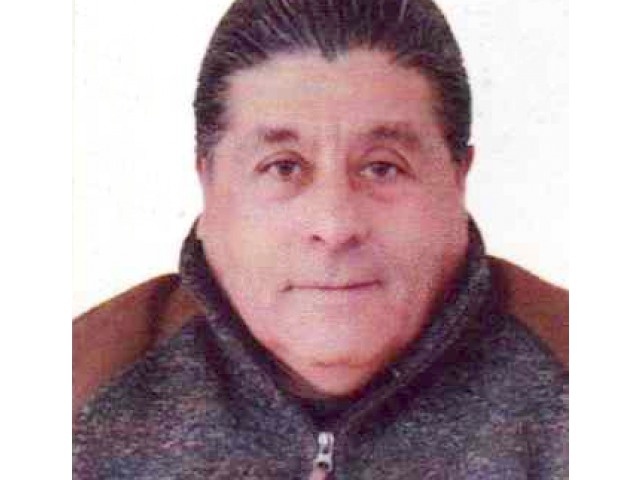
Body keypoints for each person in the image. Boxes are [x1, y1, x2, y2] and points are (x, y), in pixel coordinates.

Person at [73, 0, 568, 478]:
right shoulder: (72, 394)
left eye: (383, 167)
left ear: (458, 178)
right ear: (207, 181)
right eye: (283, 167)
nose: (334, 226)